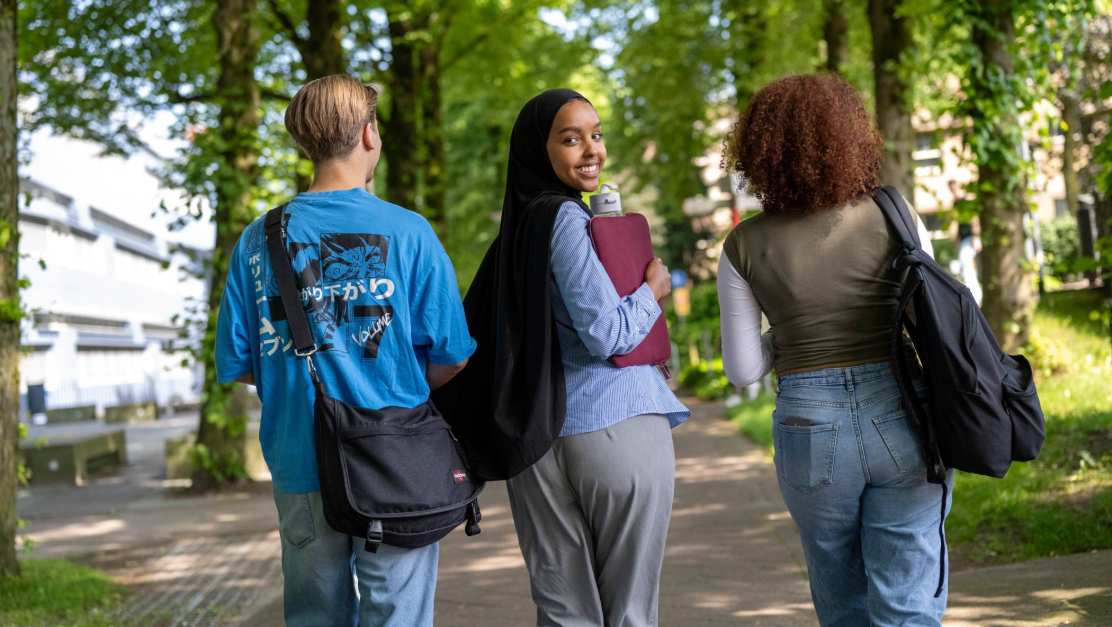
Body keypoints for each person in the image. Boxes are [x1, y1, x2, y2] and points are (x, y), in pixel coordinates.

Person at [214, 75, 475, 627]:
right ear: (368, 134)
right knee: (397, 617)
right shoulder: (410, 233)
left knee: (314, 617)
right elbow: (452, 354)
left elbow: (239, 362)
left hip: (298, 458)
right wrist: (384, 384)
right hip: (393, 459)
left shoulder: (256, 240)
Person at [440, 89, 689, 627]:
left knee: (563, 612)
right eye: (570, 138)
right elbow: (606, 333)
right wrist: (653, 290)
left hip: (539, 440)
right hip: (615, 424)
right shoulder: (565, 221)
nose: (590, 150)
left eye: (595, 135)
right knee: (630, 612)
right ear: (539, 148)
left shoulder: (515, 231)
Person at [716, 74, 952, 626]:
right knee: (908, 597)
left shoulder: (743, 244)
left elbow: (742, 368)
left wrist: (792, 332)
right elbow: (935, 324)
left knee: (841, 597)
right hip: (904, 414)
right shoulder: (899, 218)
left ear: (758, 150)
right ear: (852, 135)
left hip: (807, 426)